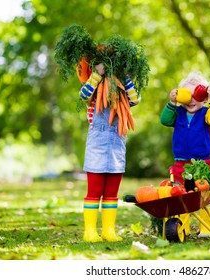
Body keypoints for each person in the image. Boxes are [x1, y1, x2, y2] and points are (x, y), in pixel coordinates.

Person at [79, 63, 141, 242]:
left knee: (111, 192)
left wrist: (126, 77)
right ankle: (89, 231)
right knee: (94, 191)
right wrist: (98, 74)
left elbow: (136, 99)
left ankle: (108, 231)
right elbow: (83, 94)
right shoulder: (92, 94)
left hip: (116, 146)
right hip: (97, 146)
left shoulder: (123, 97)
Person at [160, 71, 210, 237]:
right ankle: (183, 228)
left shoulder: (206, 113)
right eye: (187, 95)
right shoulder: (178, 112)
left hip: (202, 164)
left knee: (205, 196)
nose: (191, 100)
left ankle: (206, 229)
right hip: (181, 163)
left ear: (203, 97)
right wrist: (172, 102)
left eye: (197, 95)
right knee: (181, 196)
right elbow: (165, 120)